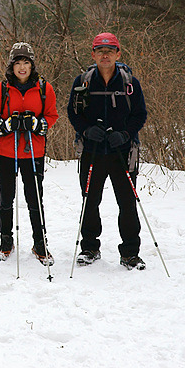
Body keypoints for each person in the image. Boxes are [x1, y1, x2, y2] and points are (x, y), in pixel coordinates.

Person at [67, 32, 148, 270]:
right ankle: (90, 248)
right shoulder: (82, 81)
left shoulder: (130, 83)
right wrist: (86, 130)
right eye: (100, 51)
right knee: (90, 201)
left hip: (122, 152)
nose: (105, 55)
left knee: (127, 202)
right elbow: (73, 112)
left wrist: (125, 134)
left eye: (110, 51)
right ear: (93, 54)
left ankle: (130, 253)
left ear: (118, 54)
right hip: (92, 151)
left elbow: (140, 114)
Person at [0, 42, 59, 264]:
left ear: (32, 65)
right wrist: (4, 125)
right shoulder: (2, 89)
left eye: (26, 62)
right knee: (6, 198)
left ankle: (40, 243)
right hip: (6, 151)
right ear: (12, 66)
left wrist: (38, 124)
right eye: (18, 63)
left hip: (34, 151)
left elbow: (52, 115)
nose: (22, 67)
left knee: (35, 198)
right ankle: (6, 241)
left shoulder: (44, 89)